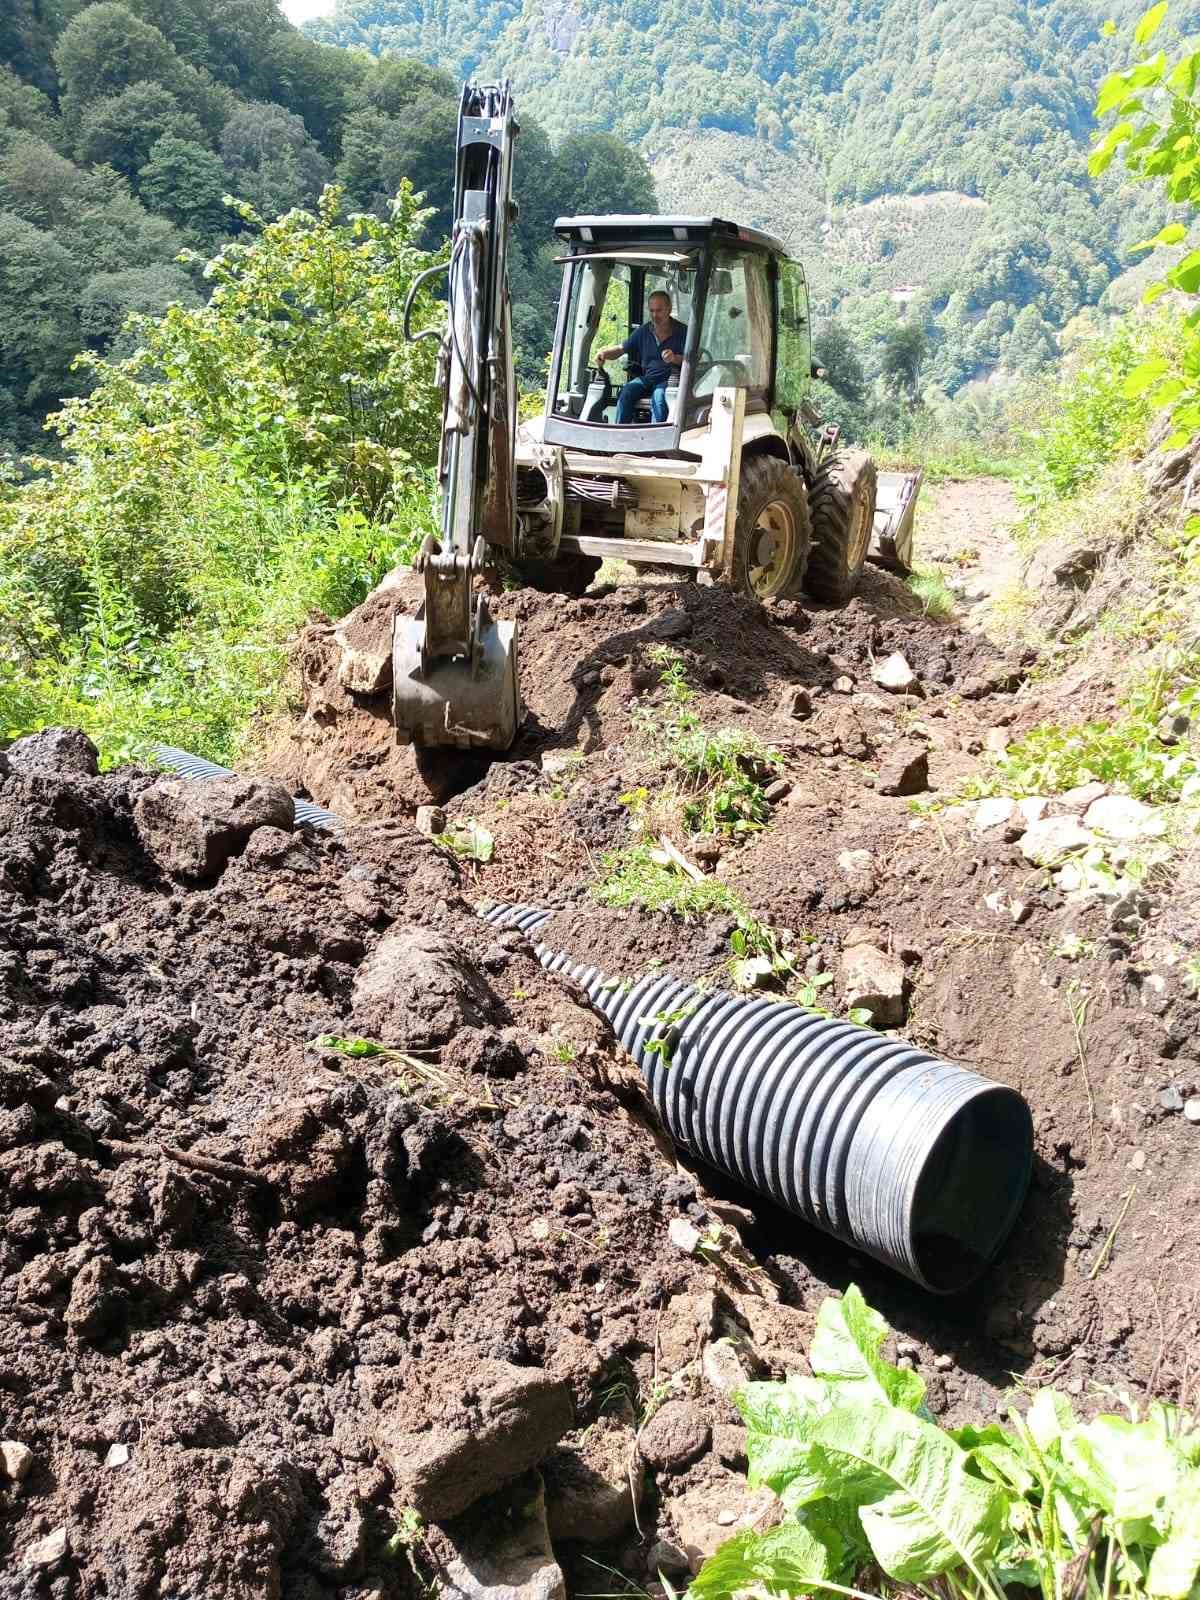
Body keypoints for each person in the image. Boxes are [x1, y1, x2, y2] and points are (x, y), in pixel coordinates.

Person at [596, 290, 687, 424]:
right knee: (626, 392)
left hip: (671, 380)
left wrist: (674, 358)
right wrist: (604, 354)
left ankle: (656, 440)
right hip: (648, 378)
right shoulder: (643, 331)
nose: (655, 315)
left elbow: (691, 360)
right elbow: (621, 349)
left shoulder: (683, 331)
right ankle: (620, 435)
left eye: (659, 310)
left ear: (669, 309)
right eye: (652, 311)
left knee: (659, 398)